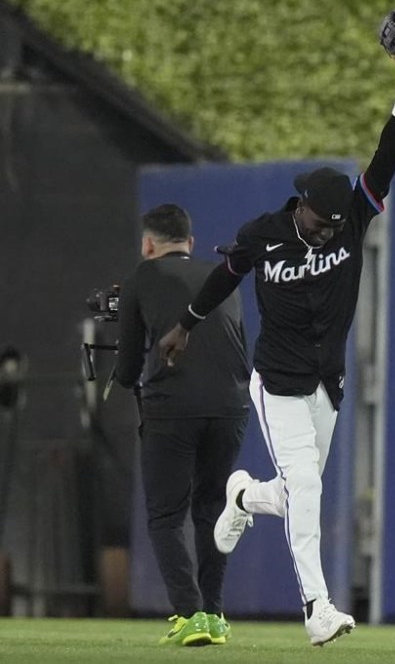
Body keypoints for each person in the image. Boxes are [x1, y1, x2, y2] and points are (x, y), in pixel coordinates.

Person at [156, 40, 395, 648]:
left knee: (293, 489)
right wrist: (186, 324)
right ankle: (317, 607)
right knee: (307, 489)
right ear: (302, 205)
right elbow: (227, 275)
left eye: (338, 222)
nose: (331, 228)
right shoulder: (265, 235)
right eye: (322, 220)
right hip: (277, 379)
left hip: (327, 380)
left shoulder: (352, 218)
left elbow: (389, 153)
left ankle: (244, 497)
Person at [116, 204, 251, 646]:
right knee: (212, 509)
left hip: (172, 406)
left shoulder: (140, 279)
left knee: (165, 515)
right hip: (232, 405)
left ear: (148, 244)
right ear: (190, 243)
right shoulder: (223, 278)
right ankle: (213, 614)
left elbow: (129, 364)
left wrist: (121, 377)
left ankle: (189, 613)